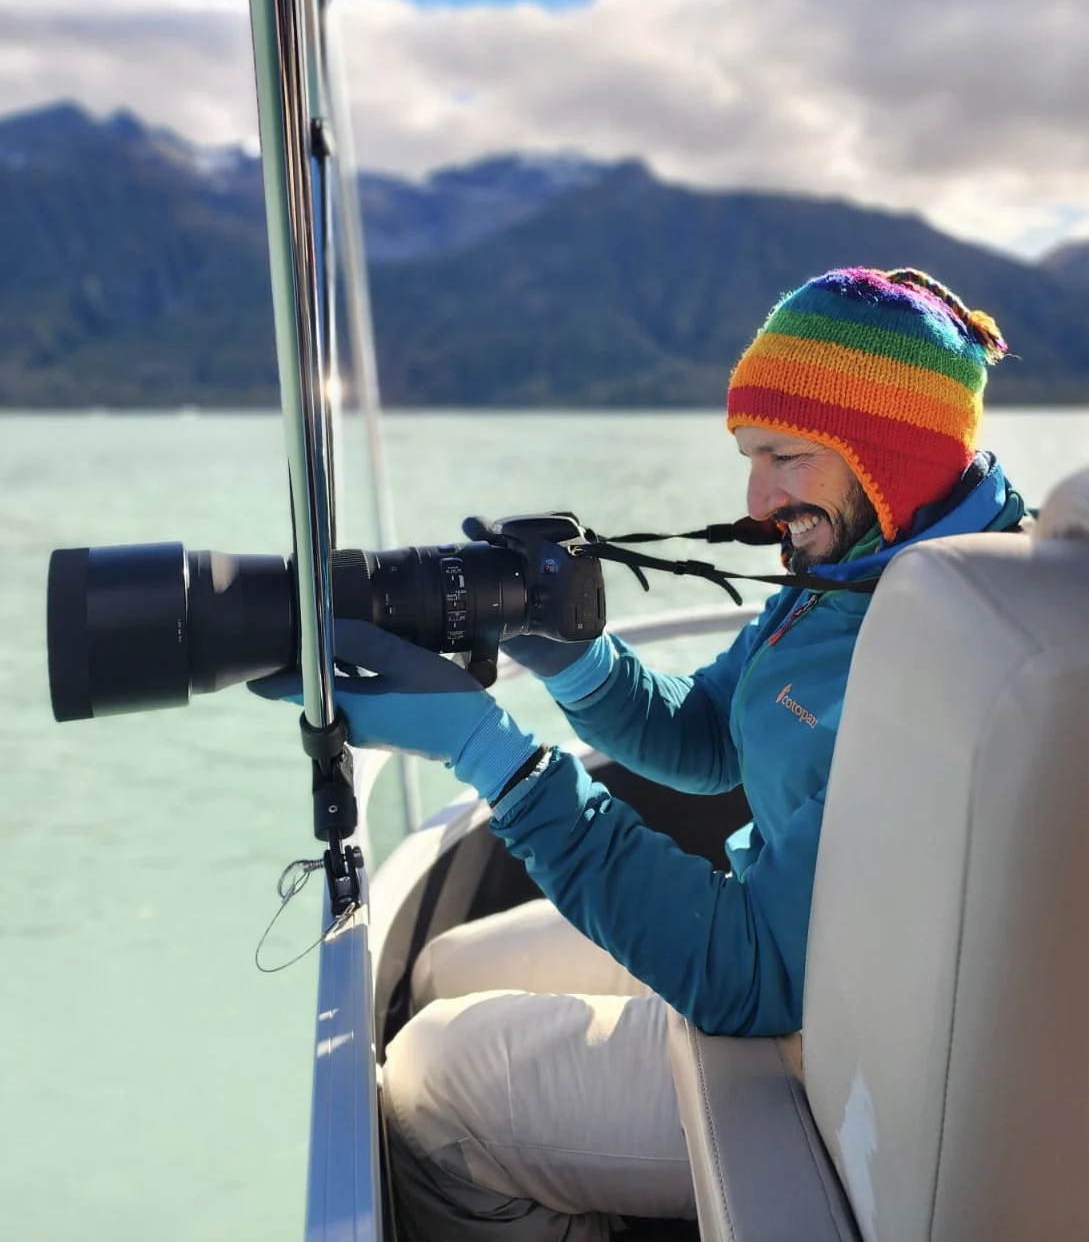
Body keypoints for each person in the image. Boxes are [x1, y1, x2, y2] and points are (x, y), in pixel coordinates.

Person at [256, 266, 1025, 1241]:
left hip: (829, 1050)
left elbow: (746, 975)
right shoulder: (858, 567)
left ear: (888, 456)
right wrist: (573, 658)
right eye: (751, 456)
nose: (756, 499)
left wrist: (490, 754)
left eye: (784, 456)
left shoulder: (950, 655)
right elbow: (708, 738)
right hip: (793, 949)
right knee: (443, 966)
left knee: (424, 1089)